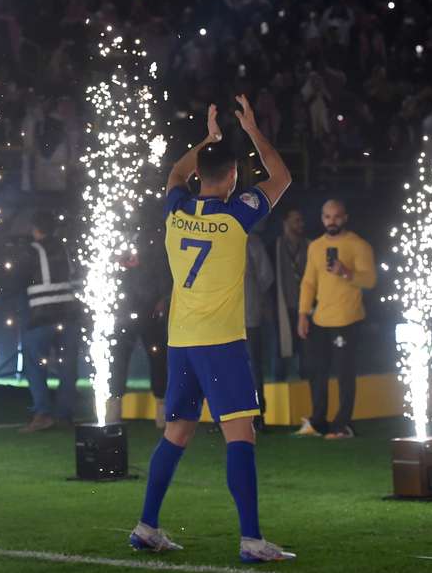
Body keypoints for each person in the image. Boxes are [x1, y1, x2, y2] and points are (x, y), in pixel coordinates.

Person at [130, 96, 295, 563]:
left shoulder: (176, 210)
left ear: (200, 174)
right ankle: (251, 540)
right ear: (234, 178)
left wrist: (208, 139)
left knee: (176, 433)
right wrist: (253, 128)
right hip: (220, 343)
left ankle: (147, 526)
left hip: (181, 340)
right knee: (240, 436)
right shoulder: (237, 214)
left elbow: (175, 176)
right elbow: (281, 177)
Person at [0, 211, 80, 432]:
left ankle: (43, 413)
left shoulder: (31, 251)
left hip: (42, 317)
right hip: (69, 315)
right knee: (68, 367)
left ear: (35, 229)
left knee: (35, 364)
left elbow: (16, 280)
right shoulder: (66, 249)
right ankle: (65, 414)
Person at [295, 200, 376, 439]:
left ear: (345, 217)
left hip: (348, 318)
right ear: (322, 218)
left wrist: (346, 272)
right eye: (328, 216)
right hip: (320, 318)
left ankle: (343, 424)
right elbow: (309, 282)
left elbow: (370, 280)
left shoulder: (358, 245)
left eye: (337, 216)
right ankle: (318, 421)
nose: (332, 221)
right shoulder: (315, 247)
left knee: (344, 373)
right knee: (317, 371)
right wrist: (303, 314)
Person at [107, 200, 170, 428]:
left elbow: (163, 266)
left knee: (158, 357)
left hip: (148, 306)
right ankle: (114, 406)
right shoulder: (111, 237)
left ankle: (162, 407)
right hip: (121, 308)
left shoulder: (151, 238)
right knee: (118, 357)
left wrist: (163, 297)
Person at [273, 208, 309, 380]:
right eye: (296, 220)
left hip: (306, 307)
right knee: (281, 354)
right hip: (282, 308)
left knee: (307, 354)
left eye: (301, 220)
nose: (300, 224)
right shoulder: (274, 247)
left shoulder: (310, 246)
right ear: (285, 223)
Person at [244, 230, 274, 428]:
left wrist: (254, 297)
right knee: (225, 367)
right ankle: (227, 415)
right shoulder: (217, 238)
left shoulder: (252, 241)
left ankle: (257, 414)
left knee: (253, 366)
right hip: (222, 319)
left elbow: (266, 276)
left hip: (248, 316)